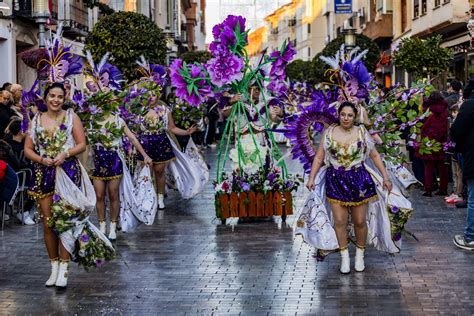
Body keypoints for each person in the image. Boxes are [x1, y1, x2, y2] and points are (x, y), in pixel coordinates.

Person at [24, 83, 112, 288]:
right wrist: (40, 158)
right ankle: (53, 267)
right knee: (48, 223)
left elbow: (82, 143)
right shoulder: (36, 119)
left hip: (68, 172)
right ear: (45, 98)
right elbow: (28, 149)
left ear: (64, 99)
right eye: (52, 96)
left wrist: (66, 153)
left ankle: (64, 268)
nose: (55, 100)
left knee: (67, 221)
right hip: (44, 172)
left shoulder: (73, 117)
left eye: (60, 97)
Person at [302, 102, 396, 274]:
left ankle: (360, 254)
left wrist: (386, 177)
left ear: (355, 116)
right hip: (335, 179)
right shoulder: (329, 132)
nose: (346, 118)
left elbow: (374, 155)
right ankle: (344, 258)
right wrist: (311, 177)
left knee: (360, 221)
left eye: (350, 115)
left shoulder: (362, 132)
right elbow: (318, 158)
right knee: (340, 221)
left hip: (359, 180)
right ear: (338, 114)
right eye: (343, 114)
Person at [88, 107, 153, 240]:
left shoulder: (118, 120)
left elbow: (133, 139)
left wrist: (145, 155)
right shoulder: (92, 120)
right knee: (99, 194)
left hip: (114, 160)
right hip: (98, 160)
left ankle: (113, 226)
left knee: (113, 193)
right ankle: (102, 225)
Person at [137, 99, 197, 209]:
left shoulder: (165, 110)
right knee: (146, 172)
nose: (151, 97)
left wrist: (186, 132)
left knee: (159, 172)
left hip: (161, 143)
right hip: (145, 144)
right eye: (148, 94)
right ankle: (147, 198)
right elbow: (134, 131)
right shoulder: (139, 110)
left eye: (154, 94)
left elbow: (172, 127)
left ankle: (160, 198)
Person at [452, 82, 474, 250]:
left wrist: (461, 146)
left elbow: (456, 130)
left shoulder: (469, 105)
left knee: (473, 199)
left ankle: (470, 237)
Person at [415, 91, 449, 197]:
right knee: (442, 166)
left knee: (428, 167)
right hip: (440, 141)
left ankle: (428, 189)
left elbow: (422, 125)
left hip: (428, 142)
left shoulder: (428, 111)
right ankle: (443, 188)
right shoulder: (444, 110)